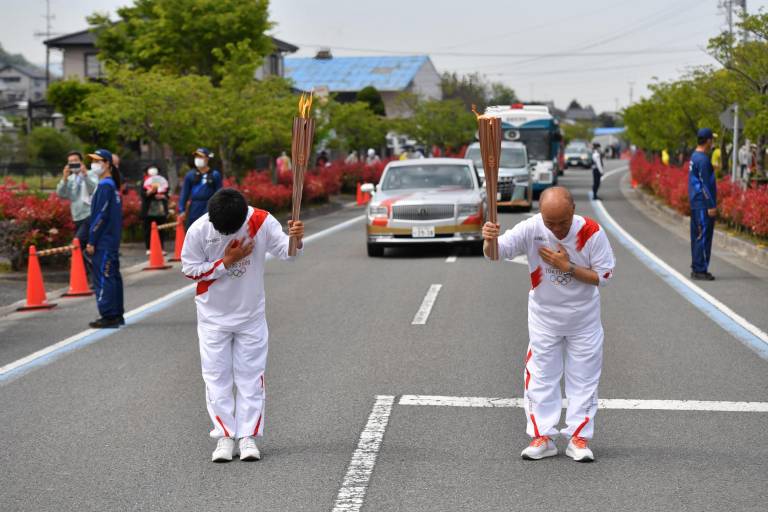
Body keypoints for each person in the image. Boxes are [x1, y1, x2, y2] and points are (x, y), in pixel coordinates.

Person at [482, 186, 615, 462]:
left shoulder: (591, 232)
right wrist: (489, 239)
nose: (556, 229)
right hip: (545, 317)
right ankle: (542, 436)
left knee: (584, 378)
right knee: (541, 375)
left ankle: (578, 438)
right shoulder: (532, 227)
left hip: (583, 319)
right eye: (550, 223)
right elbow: (496, 253)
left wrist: (569, 268)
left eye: (562, 223)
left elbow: (603, 276)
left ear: (573, 212)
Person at [181, 188, 305, 462]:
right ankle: (225, 436)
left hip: (250, 316)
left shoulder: (260, 221)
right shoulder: (200, 229)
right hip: (213, 318)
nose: (224, 234)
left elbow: (289, 254)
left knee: (250, 377)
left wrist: (296, 238)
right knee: (217, 378)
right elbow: (190, 269)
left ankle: (248, 437)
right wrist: (226, 262)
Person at [85, 149, 125, 329]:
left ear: (108, 164)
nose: (94, 164)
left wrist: (92, 240)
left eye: (98, 161)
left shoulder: (105, 186)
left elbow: (100, 216)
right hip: (111, 239)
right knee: (113, 276)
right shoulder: (112, 186)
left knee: (104, 277)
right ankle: (116, 314)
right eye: (92, 160)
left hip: (104, 240)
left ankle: (108, 314)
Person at [56, 150, 98, 282]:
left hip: (90, 215)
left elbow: (94, 190)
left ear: (81, 162)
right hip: (77, 217)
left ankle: (88, 276)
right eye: (70, 162)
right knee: (86, 248)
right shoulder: (69, 179)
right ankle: (92, 276)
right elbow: (61, 194)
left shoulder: (91, 174)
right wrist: (64, 178)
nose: (73, 164)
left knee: (77, 243)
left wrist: (85, 175)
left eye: (75, 161)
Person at [689, 128, 718, 281]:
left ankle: (696, 266)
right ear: (708, 140)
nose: (712, 142)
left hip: (696, 203)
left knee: (696, 236)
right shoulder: (703, 159)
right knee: (703, 236)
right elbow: (706, 184)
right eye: (711, 139)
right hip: (703, 204)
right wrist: (711, 205)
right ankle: (701, 269)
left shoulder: (694, 156)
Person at [179, 148, 223, 229]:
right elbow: (184, 193)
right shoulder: (190, 175)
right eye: (196, 157)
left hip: (210, 205)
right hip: (195, 206)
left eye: (201, 157)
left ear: (207, 159)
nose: (198, 159)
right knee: (194, 228)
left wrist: (218, 208)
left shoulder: (215, 174)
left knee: (208, 229)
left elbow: (219, 193)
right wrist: (182, 210)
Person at [140, 164, 170, 255]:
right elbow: (143, 194)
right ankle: (149, 248)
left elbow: (167, 193)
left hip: (160, 208)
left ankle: (161, 248)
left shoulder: (163, 181)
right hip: (148, 208)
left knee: (161, 228)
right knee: (148, 229)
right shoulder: (144, 181)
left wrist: (162, 196)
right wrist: (150, 192)